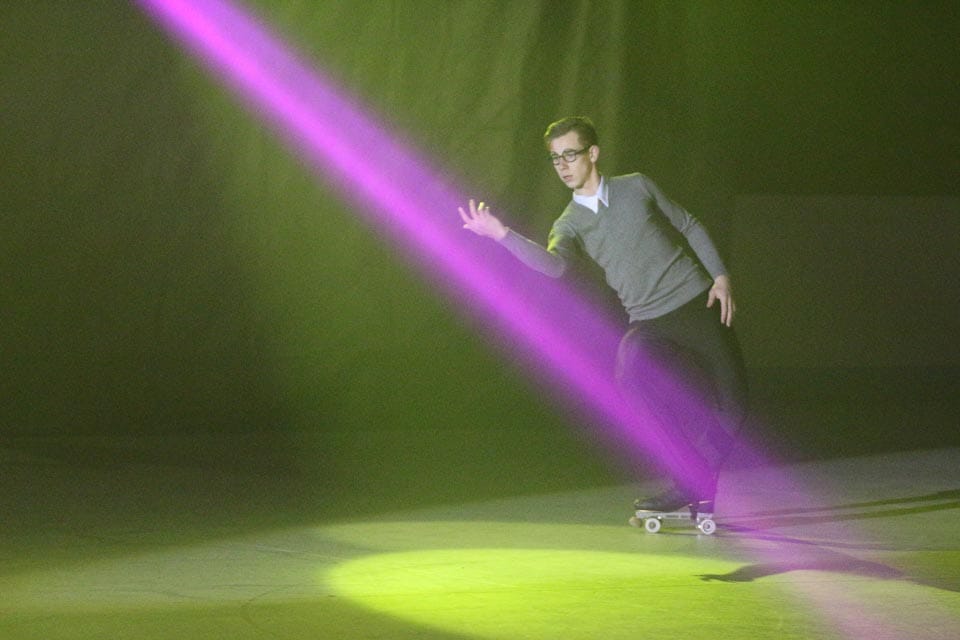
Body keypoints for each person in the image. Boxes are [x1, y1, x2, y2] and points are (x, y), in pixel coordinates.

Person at [458, 115, 748, 514]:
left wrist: (720, 275)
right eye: (555, 158)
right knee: (630, 373)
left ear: (592, 153)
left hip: (696, 301)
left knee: (734, 400)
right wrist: (502, 235)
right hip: (648, 317)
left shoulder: (636, 185)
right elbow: (554, 266)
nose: (562, 166)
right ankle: (690, 477)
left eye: (570, 155)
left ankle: (700, 480)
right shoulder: (569, 223)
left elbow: (688, 223)